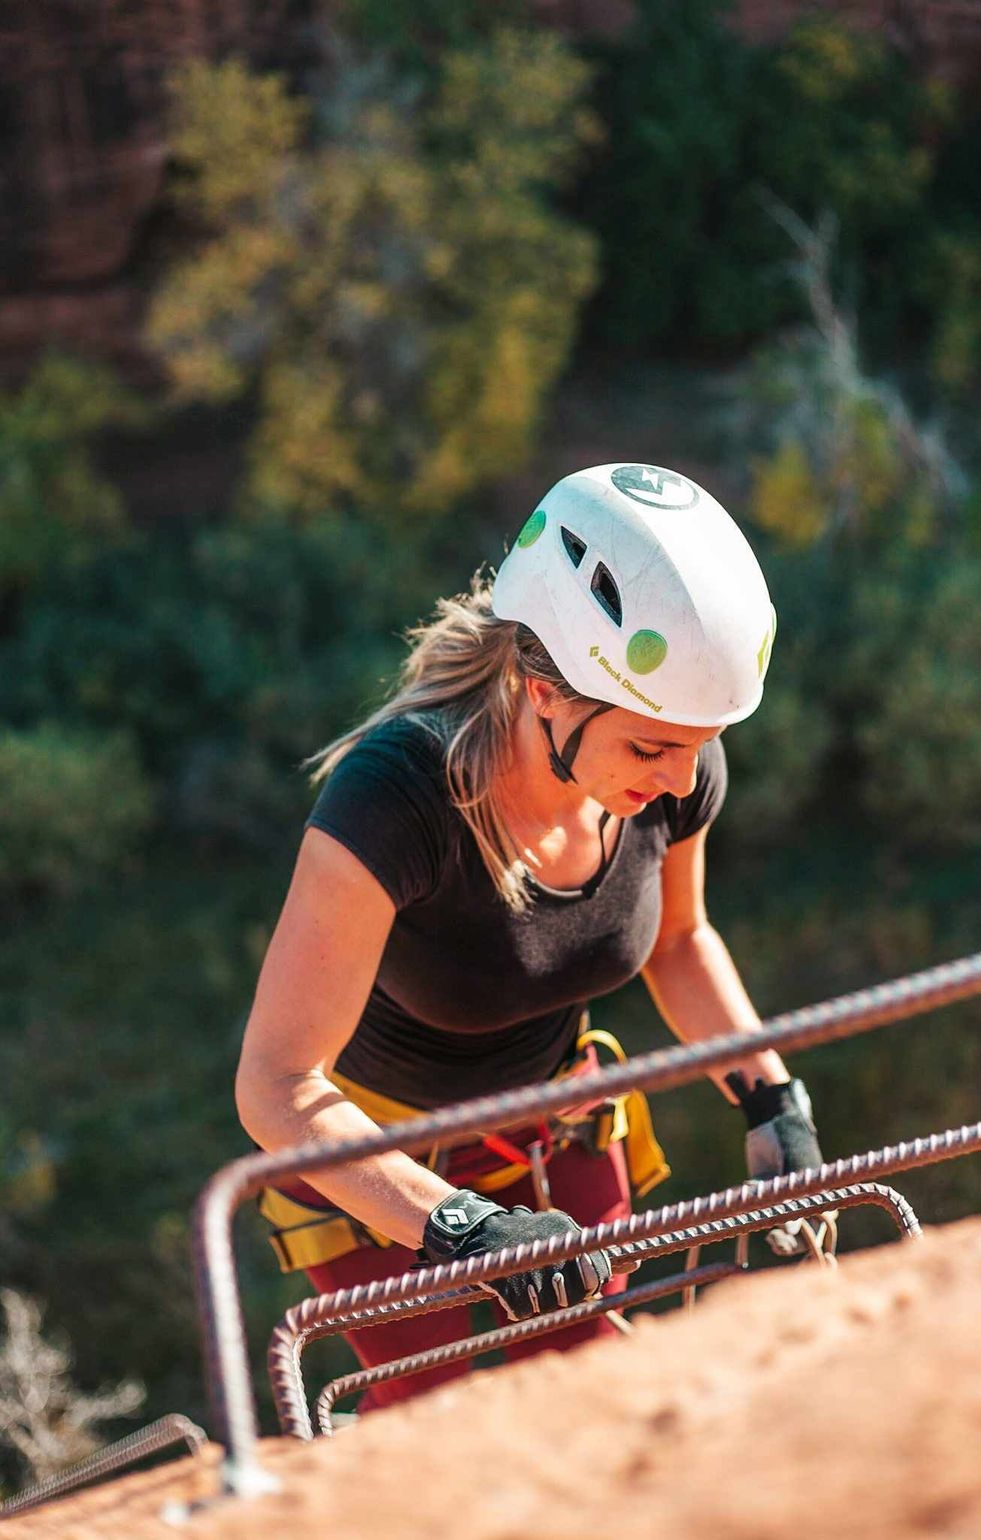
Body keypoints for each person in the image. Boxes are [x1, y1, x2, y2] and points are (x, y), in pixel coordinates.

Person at [235, 462, 828, 1411]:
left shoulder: (673, 770)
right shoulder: (396, 801)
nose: (682, 779)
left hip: (557, 1118)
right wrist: (459, 1228)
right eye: (648, 747)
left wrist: (772, 1101)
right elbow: (275, 1087)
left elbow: (678, 943)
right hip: (379, 1155)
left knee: (591, 1382)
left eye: (700, 742)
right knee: (423, 1407)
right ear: (539, 685)